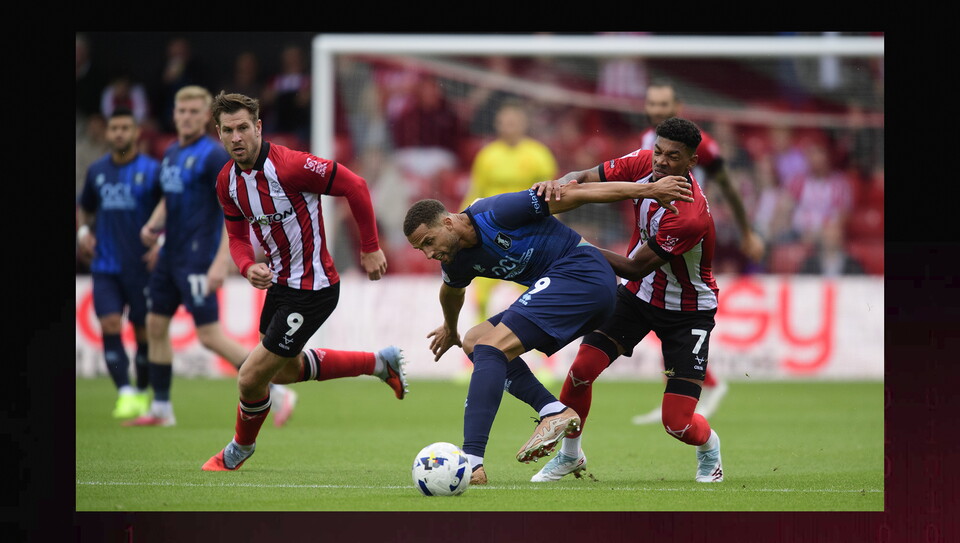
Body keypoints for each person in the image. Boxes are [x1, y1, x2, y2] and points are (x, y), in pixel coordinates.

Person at [403, 165, 694, 485]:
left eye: (429, 241)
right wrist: (451, 327)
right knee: (476, 339)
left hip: (583, 273)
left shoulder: (496, 212)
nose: (428, 253)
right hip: (566, 288)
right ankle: (553, 410)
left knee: (491, 347)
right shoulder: (455, 259)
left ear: (447, 222)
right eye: (421, 249)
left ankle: (472, 461)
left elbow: (576, 195)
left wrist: (648, 190)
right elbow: (451, 291)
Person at [201, 91, 409, 471]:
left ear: (258, 127)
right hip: (279, 286)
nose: (236, 137)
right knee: (283, 371)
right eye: (228, 130)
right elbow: (237, 238)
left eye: (243, 128)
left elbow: (355, 186)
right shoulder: (227, 182)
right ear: (219, 133)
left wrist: (369, 247)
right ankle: (380, 363)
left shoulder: (291, 166)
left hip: (313, 289)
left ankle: (239, 449)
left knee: (250, 377)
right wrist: (246, 266)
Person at [528, 117, 724, 484]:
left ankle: (710, 447)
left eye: (673, 156)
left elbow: (634, 267)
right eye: (659, 151)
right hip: (637, 296)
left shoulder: (689, 216)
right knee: (581, 370)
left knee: (677, 424)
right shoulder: (643, 163)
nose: (661, 161)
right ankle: (570, 455)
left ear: (691, 162)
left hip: (688, 313)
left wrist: (573, 246)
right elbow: (585, 177)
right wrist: (559, 184)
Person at [126, 86, 295, 428]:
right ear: (174, 114)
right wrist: (153, 227)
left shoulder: (214, 156)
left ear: (206, 117)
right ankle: (161, 408)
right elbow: (169, 199)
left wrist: (222, 260)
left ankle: (276, 390)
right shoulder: (171, 152)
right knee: (155, 324)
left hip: (198, 258)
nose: (186, 117)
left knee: (209, 335)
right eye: (181, 111)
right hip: (169, 255)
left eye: (194, 111)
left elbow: (229, 210)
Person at [629, 79, 754, 424]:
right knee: (655, 303)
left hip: (686, 229)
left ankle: (700, 386)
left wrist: (746, 231)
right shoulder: (647, 141)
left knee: (672, 303)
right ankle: (679, 393)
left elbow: (727, 185)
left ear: (678, 107)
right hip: (654, 225)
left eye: (663, 105)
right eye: (652, 104)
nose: (656, 110)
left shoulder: (704, 146)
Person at [77, 107, 162, 419]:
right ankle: (125, 392)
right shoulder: (97, 171)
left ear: (136, 132)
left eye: (126, 128)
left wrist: (162, 242)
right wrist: (83, 232)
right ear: (108, 133)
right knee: (110, 324)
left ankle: (141, 391)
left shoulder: (153, 170)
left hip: (142, 266)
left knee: (142, 332)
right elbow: (85, 206)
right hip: (105, 266)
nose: (119, 133)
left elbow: (171, 208)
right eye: (115, 128)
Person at [459, 100, 559, 323]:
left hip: (526, 230)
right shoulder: (487, 155)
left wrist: (554, 227)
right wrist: (462, 219)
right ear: (497, 124)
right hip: (489, 230)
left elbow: (552, 194)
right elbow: (475, 191)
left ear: (523, 124)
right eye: (504, 123)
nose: (508, 127)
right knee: (482, 289)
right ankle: (479, 334)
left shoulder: (539, 154)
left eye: (513, 122)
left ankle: (536, 338)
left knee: (532, 290)